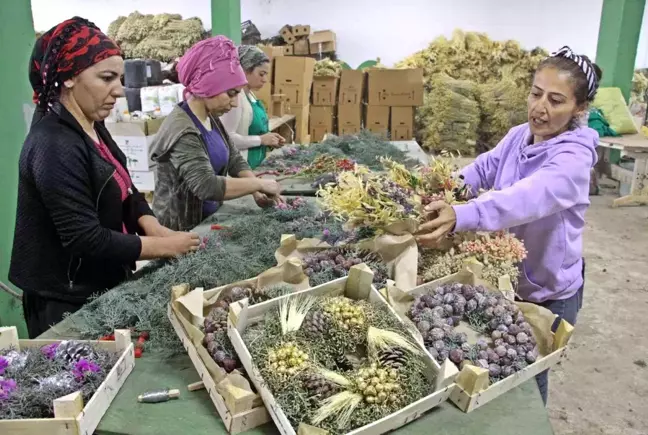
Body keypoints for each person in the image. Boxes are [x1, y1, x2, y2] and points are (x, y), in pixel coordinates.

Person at [415, 46, 600, 405]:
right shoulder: (520, 135)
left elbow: (525, 197)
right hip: (506, 278)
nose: (540, 108)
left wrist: (464, 214)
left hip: (548, 290)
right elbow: (484, 167)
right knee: (497, 365)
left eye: (556, 100)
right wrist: (449, 184)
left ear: (579, 109)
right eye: (535, 93)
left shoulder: (573, 159)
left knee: (529, 381)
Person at [10, 17, 200, 338]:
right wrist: (164, 247)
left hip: (99, 285)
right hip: (67, 301)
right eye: (107, 78)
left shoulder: (91, 125)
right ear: (69, 77)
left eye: (121, 78)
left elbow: (125, 187)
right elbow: (85, 238)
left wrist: (151, 225)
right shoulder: (53, 144)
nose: (120, 91)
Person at [149, 36, 283, 232]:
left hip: (207, 220)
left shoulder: (210, 116)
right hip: (181, 230)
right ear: (208, 86)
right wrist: (257, 184)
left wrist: (255, 188)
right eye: (230, 93)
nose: (236, 102)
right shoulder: (183, 129)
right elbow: (207, 186)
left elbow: (234, 157)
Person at [220, 45, 285, 168]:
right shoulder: (235, 98)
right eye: (261, 74)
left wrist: (270, 138)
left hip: (255, 165)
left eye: (266, 74)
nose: (265, 79)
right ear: (244, 70)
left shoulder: (250, 95)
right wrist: (261, 140)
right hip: (240, 169)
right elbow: (226, 138)